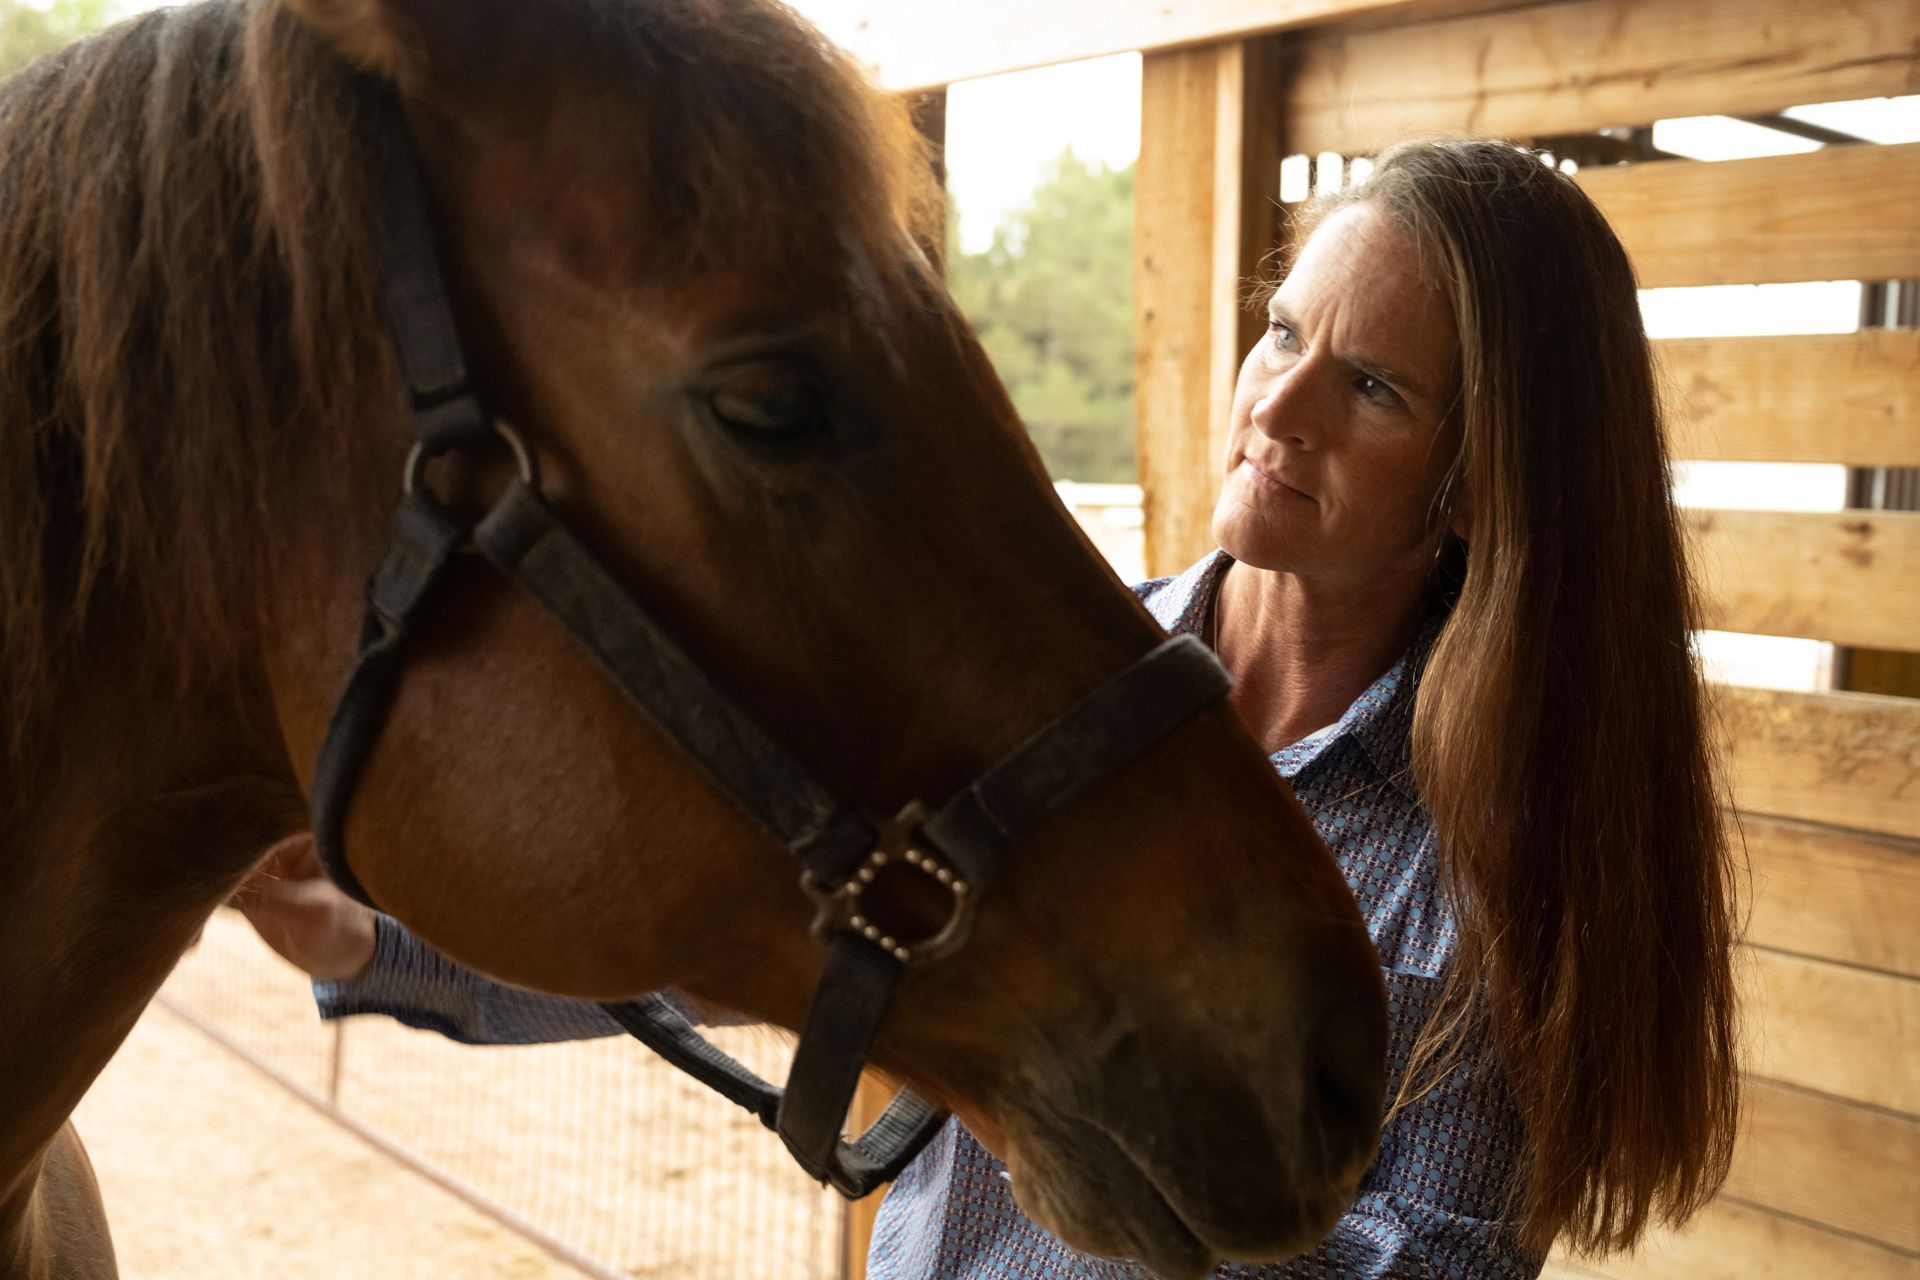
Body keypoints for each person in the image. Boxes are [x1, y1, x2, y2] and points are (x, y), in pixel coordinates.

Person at [239, 138, 1741, 1278]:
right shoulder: (1052, 695)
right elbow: (759, 931)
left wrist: (1122, 1113)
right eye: (1283, 333)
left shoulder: (1492, 869)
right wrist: (379, 939)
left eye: (1374, 389)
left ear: (1482, 479)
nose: (1276, 407)